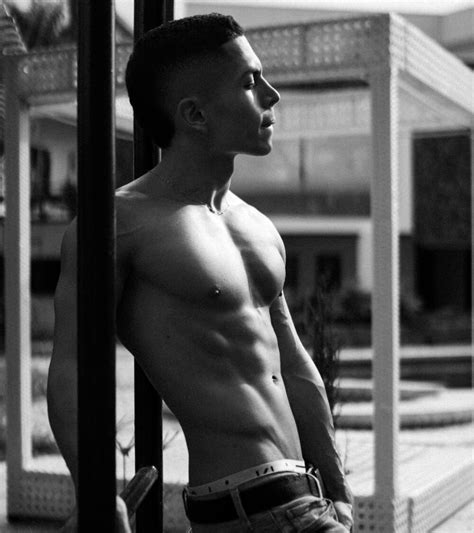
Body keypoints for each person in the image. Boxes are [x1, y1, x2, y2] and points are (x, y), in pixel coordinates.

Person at [48, 13, 353, 532]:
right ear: (195, 114)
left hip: (305, 500)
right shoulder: (119, 224)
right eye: (250, 82)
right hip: (243, 505)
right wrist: (96, 492)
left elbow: (293, 363)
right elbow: (74, 367)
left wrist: (339, 491)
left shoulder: (257, 227)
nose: (272, 95)